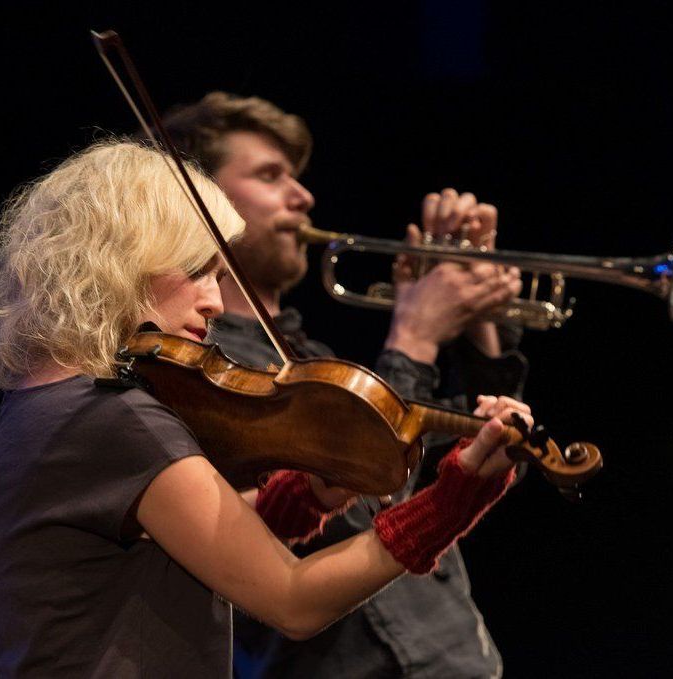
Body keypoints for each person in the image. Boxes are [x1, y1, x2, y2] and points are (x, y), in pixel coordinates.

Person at [0, 140, 533, 678]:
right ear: (120, 259)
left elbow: (207, 539)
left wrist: (308, 493)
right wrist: (455, 498)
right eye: (195, 269)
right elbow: (293, 601)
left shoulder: (45, 410)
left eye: (219, 275)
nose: (214, 301)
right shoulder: (108, 418)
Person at [161, 93, 528, 677]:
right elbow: (344, 491)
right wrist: (415, 333)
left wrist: (477, 311)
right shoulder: (198, 374)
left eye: (297, 177)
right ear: (199, 199)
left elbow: (457, 477)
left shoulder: (316, 360)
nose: (303, 196)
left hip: (457, 659)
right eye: (270, 175)